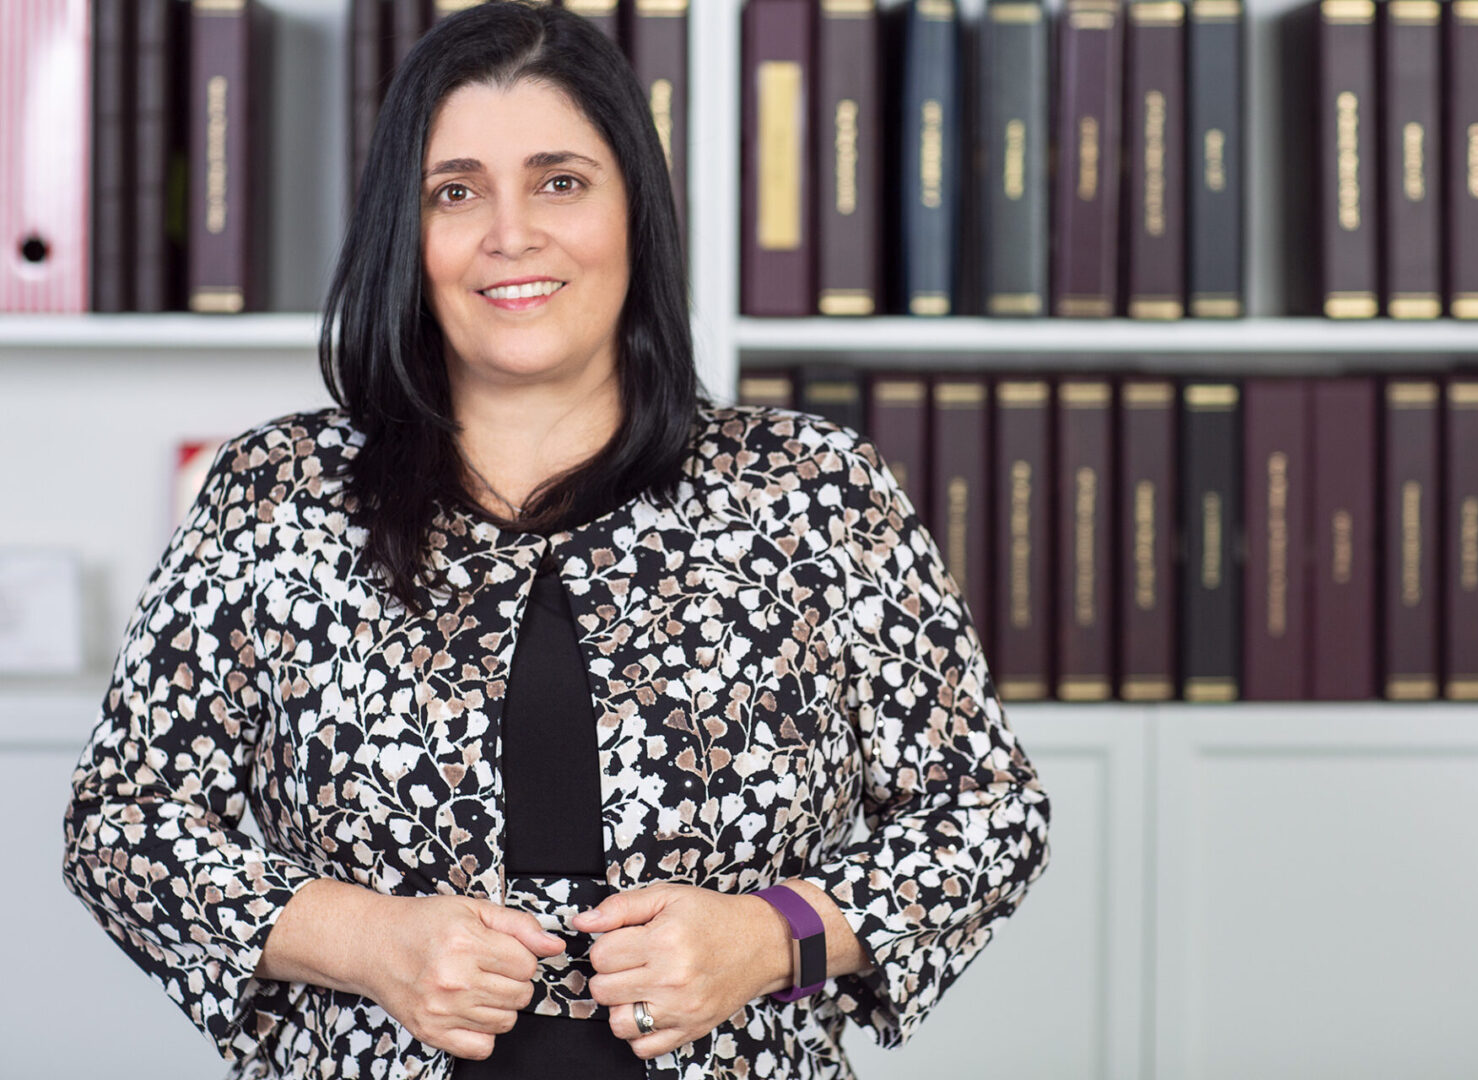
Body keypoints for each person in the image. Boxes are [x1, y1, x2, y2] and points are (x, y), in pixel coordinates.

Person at [60, 4, 1051, 1078]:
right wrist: (371, 943)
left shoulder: (814, 490)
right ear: (408, 229)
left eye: (560, 181)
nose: (511, 234)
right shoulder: (272, 494)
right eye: (455, 191)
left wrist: (772, 940)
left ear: (636, 211)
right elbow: (123, 825)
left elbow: (985, 815)